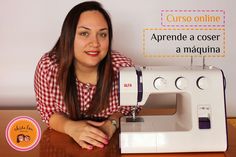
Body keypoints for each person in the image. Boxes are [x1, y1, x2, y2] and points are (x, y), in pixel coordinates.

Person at [34, 1, 136, 150]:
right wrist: (70, 127)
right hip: (65, 145)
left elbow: (130, 108)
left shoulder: (124, 68)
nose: (95, 43)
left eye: (102, 34)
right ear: (69, 36)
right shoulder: (48, 68)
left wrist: (112, 123)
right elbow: (49, 113)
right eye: (84, 33)